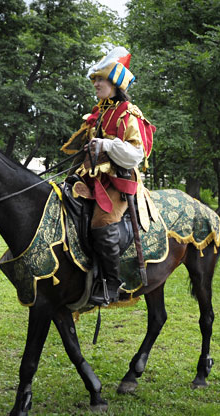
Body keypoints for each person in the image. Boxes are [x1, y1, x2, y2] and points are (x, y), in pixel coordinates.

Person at [61, 46, 155, 305]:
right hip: (91, 178)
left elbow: (137, 153)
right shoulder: (99, 113)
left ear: (114, 82)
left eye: (100, 79)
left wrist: (107, 145)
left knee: (102, 222)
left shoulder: (128, 112)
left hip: (118, 181)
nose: (96, 84)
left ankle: (112, 282)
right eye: (95, 79)